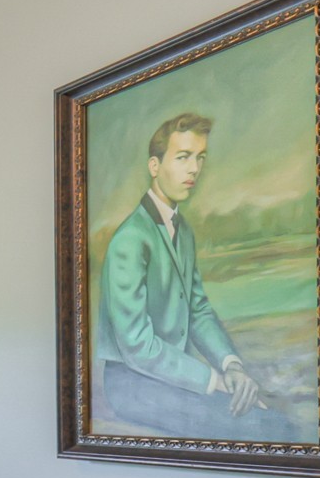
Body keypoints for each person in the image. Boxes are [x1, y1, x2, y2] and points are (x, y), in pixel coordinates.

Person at [96, 112, 298, 441]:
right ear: (154, 166)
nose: (194, 169)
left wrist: (231, 365)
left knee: (269, 407)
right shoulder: (130, 240)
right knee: (268, 427)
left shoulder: (184, 231)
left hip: (173, 375)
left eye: (200, 158)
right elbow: (136, 346)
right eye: (183, 157)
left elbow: (198, 310)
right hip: (132, 385)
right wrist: (213, 379)